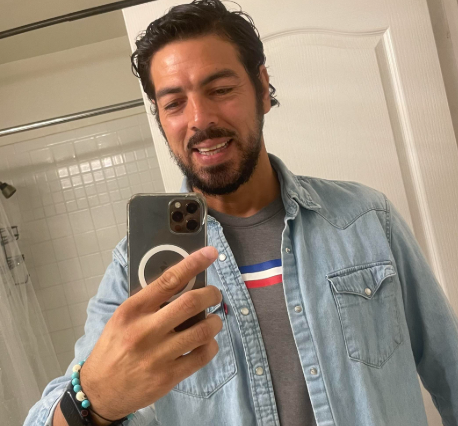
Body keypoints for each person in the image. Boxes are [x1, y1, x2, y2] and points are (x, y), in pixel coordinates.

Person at [26, 1, 458, 425]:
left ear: (262, 88)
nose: (200, 119)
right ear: (160, 118)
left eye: (220, 90)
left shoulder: (366, 219)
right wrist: (96, 400)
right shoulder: (135, 268)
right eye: (174, 103)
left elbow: (451, 368)